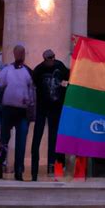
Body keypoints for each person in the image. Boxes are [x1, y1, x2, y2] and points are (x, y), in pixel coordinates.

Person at [0, 44, 35, 181]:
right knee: (4, 140)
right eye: (18, 53)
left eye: (22, 53)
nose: (20, 55)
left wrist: (31, 106)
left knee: (21, 142)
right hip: (8, 109)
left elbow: (32, 91)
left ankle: (19, 171)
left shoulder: (28, 71)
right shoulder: (7, 70)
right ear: (14, 54)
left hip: (22, 112)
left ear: (24, 54)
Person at [31, 49, 69, 181]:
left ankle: (53, 166)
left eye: (53, 57)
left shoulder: (60, 66)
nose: (52, 59)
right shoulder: (39, 70)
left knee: (54, 137)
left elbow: (69, 79)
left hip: (56, 107)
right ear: (45, 59)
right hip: (42, 107)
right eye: (49, 58)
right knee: (37, 136)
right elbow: (33, 85)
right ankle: (34, 170)